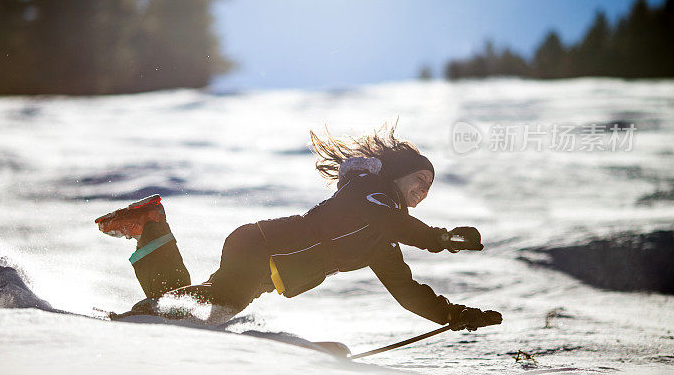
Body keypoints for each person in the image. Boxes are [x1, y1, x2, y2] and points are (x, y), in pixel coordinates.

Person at [97, 123, 502, 331]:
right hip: (261, 246)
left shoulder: (382, 242)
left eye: (429, 188)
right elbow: (391, 220)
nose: (422, 192)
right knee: (219, 303)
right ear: (395, 175)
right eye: (419, 180)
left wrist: (456, 315)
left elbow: (409, 292)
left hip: (265, 265)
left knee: (200, 306)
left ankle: (152, 227)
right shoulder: (368, 191)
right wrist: (441, 238)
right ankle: (144, 313)